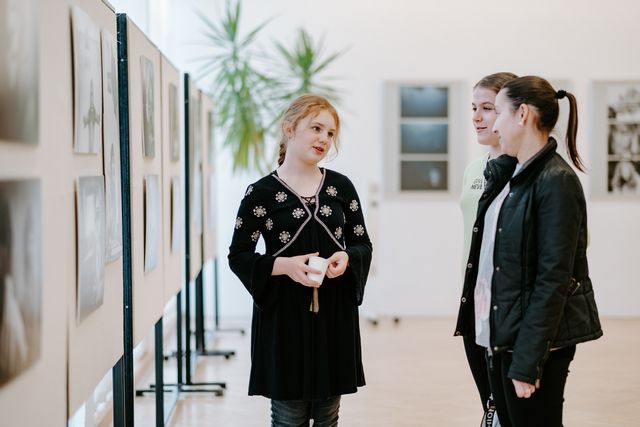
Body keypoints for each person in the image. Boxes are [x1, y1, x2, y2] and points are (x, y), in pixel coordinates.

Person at [456, 76, 603, 426]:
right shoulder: (515, 176)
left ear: (522, 114)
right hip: (505, 332)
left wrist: (527, 358)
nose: (492, 124)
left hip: (531, 341)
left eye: (497, 112)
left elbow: (554, 278)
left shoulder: (556, 181)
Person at [228, 94, 372, 426]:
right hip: (283, 319)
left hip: (334, 316)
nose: (324, 139)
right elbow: (239, 256)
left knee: (328, 416)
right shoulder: (261, 193)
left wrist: (346, 257)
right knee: (288, 417)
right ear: (289, 129)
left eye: (330, 133)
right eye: (316, 128)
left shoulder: (341, 188)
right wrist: (286, 267)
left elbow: (362, 243)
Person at [459, 72, 517, 426]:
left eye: (487, 108)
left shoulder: (526, 170)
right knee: (490, 404)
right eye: (474, 108)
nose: (477, 117)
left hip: (509, 303)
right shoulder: (473, 169)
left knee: (509, 407)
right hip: (474, 299)